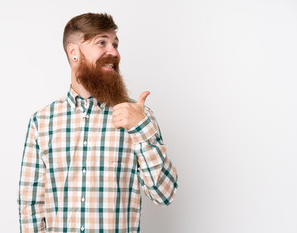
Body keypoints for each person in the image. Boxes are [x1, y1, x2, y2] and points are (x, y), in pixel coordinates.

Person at [17, 12, 178, 233]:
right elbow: (31, 205)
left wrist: (141, 130)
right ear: (74, 52)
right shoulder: (42, 121)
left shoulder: (138, 116)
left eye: (115, 44)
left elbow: (165, 194)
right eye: (101, 42)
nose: (113, 52)